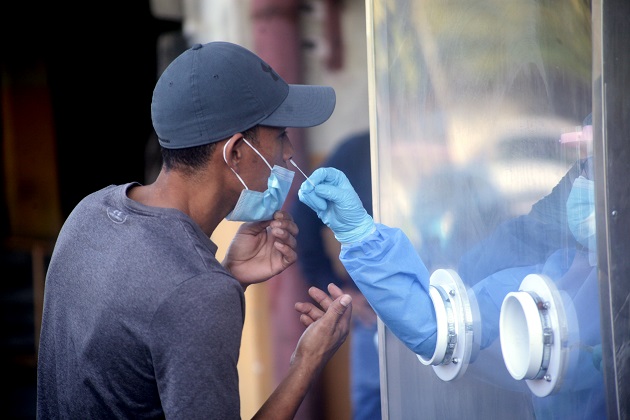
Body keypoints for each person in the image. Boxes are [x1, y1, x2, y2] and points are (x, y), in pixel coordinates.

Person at [36, 41, 353, 420]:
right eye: (281, 134)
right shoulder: (198, 293)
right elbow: (181, 302)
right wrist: (307, 361)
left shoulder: (89, 213)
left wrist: (229, 276)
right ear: (235, 152)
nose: (288, 154)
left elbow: (154, 326)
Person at [296, 113, 604, 419]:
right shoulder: (552, 272)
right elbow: (439, 329)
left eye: (599, 167)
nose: (584, 181)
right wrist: (360, 237)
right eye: (585, 166)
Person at [291, 131, 381, 420]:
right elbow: (302, 215)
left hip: (440, 305)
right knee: (373, 408)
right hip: (374, 314)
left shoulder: (439, 142)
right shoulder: (361, 149)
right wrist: (337, 290)